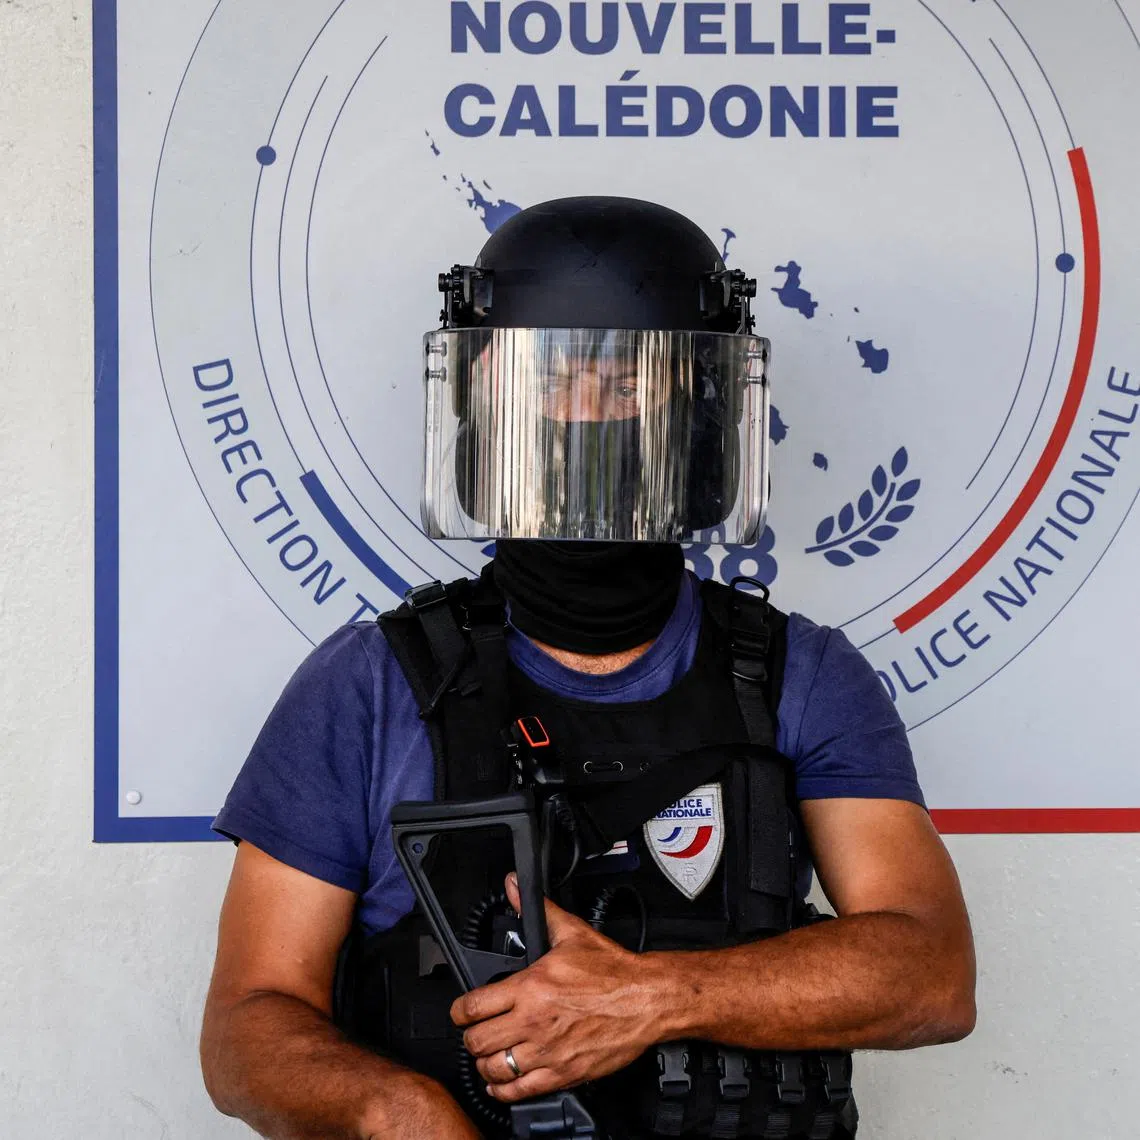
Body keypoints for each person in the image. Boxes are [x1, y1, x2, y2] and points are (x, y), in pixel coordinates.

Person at [200, 197, 976, 1140]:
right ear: (488, 406)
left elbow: (932, 974)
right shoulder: (371, 685)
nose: (588, 418)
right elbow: (247, 1025)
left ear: (700, 416)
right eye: (552, 381)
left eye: (628, 386)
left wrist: (652, 997)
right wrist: (393, 1109)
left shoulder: (797, 675)